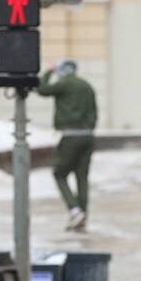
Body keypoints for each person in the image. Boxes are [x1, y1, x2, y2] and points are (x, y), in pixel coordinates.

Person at [37, 59, 98, 232]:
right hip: (88, 136)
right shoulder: (87, 86)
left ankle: (74, 210)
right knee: (82, 177)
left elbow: (42, 89)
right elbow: (95, 112)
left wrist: (49, 71)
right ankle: (83, 216)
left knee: (59, 173)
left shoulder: (64, 84)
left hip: (70, 136)